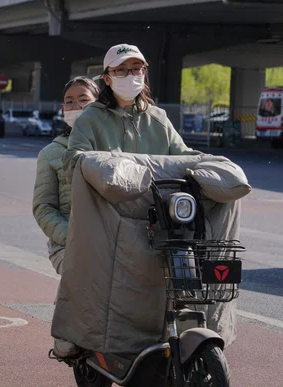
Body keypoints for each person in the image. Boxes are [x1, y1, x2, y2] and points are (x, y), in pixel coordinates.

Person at [53, 43, 198, 358]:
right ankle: (81, 338)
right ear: (107, 78)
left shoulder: (158, 118)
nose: (130, 76)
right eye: (121, 71)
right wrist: (108, 167)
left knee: (187, 273)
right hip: (109, 219)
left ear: (145, 74)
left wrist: (208, 164)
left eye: (136, 69)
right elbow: (73, 159)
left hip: (160, 218)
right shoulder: (92, 118)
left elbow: (184, 156)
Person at [32, 76, 100, 275]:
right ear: (63, 109)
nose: (76, 106)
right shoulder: (50, 154)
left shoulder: (114, 147)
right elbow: (43, 208)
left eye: (83, 100)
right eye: (69, 101)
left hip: (111, 243)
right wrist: (71, 237)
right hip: (67, 246)